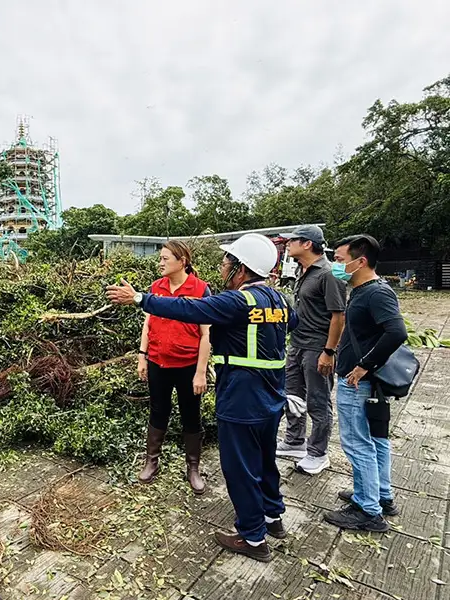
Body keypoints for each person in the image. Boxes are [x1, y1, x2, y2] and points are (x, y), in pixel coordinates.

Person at [107, 233, 298, 563]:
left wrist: (140, 298)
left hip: (241, 398)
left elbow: (188, 308)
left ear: (241, 269)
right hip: (271, 397)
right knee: (266, 460)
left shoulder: (237, 301)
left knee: (240, 469)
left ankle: (252, 537)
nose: (223, 267)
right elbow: (292, 322)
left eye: (227, 262)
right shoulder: (279, 301)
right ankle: (272, 518)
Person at [323, 235, 406, 532]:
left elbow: (397, 333)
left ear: (360, 262)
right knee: (375, 440)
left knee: (358, 443)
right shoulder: (361, 290)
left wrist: (362, 367)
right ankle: (379, 495)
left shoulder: (376, 293)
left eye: (340, 259)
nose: (336, 264)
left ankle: (369, 511)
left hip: (359, 382)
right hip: (366, 382)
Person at [137, 240, 212, 494]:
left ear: (182, 262)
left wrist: (201, 371)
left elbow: (205, 335)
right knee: (158, 410)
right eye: (160, 258)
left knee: (191, 414)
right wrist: (142, 356)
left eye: (165, 258)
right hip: (159, 361)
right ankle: (151, 461)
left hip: (188, 365)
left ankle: (193, 468)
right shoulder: (155, 288)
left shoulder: (200, 289)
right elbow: (147, 325)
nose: (160, 263)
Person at [276, 225, 346, 475]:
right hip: (297, 343)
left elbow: (339, 316)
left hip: (318, 347)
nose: (288, 244)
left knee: (318, 401)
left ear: (307, 244)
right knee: (292, 396)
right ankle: (295, 441)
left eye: (292, 240)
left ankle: (318, 452)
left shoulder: (330, 273)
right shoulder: (301, 269)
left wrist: (329, 351)